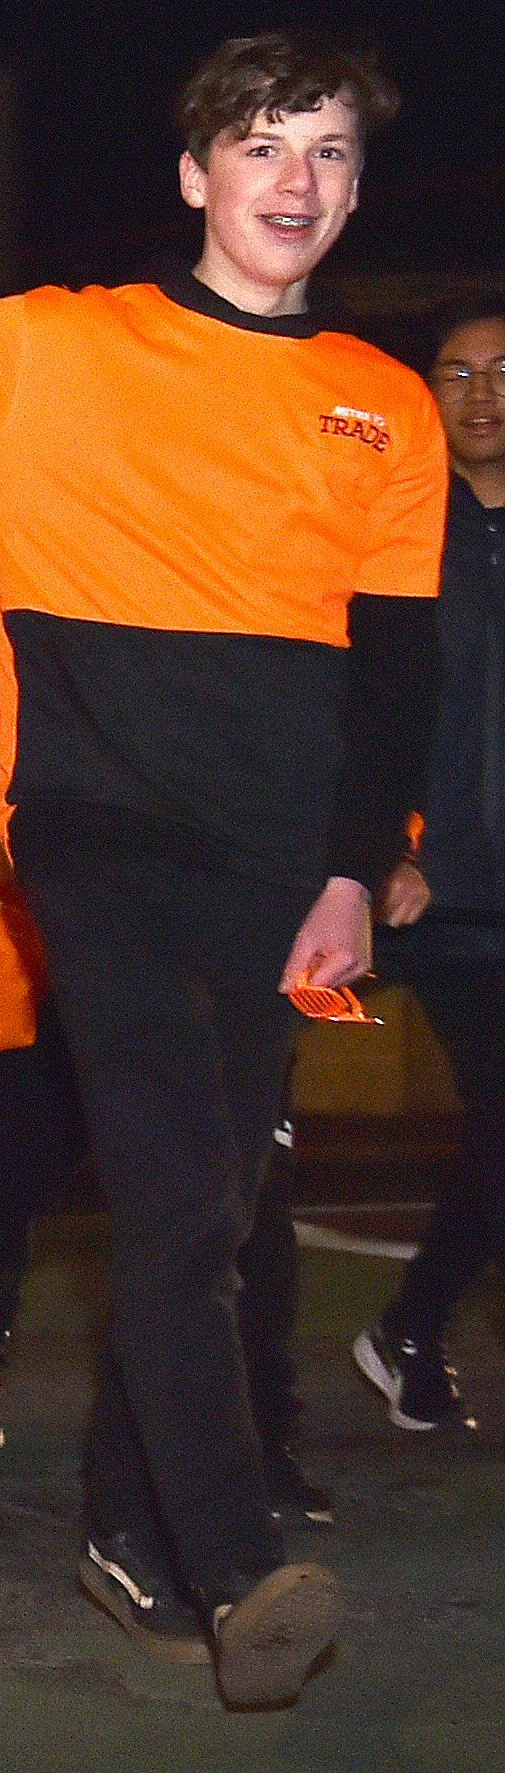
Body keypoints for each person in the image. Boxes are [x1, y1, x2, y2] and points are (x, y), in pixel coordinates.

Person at [0, 35, 432, 1707]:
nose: (294, 183)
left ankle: (126, 1524)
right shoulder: (43, 344)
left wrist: (353, 870)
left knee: (216, 1210)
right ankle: (234, 1559)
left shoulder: (380, 405)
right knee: (180, 1195)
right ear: (191, 173)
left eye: (327, 154)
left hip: (280, 867)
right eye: (259, 146)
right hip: (97, 847)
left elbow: (395, 677)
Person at [0, 525, 322, 1524]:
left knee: (237, 1188)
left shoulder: (265, 495)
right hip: (40, 905)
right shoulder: (15, 511)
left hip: (225, 907)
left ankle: (259, 1435)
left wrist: (379, 844)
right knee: (3, 1156)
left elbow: (347, 692)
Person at [362, 303, 505, 1434]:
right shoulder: (396, 525)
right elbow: (359, 702)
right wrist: (383, 844)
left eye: (502, 373)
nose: (481, 396)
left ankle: (413, 1323)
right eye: (455, 374)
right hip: (423, 883)